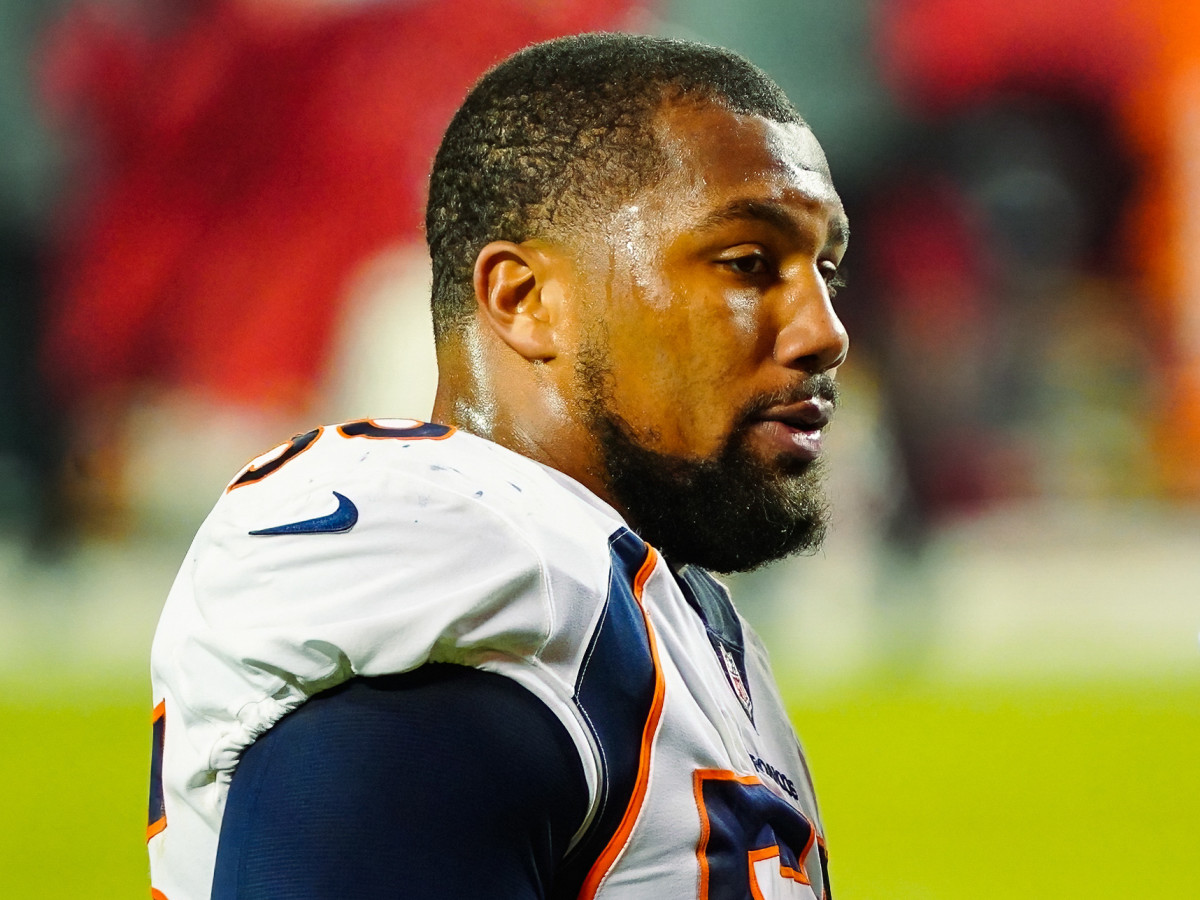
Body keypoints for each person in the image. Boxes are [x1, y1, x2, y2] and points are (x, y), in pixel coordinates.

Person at [147, 32, 850, 900]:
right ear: (524, 300)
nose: (825, 330)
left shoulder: (655, 599)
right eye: (748, 263)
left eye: (826, 271)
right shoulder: (462, 585)